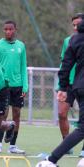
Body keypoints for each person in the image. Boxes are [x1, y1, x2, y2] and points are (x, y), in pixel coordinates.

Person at [46, 20, 84, 165]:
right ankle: (51, 160)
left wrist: (62, 87)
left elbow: (66, 65)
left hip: (79, 86)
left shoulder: (75, 39)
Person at [0, 20, 28, 154]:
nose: (8, 31)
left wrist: (25, 85)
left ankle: (13, 145)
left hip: (18, 86)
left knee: (17, 114)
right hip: (3, 86)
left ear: (15, 30)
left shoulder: (21, 46)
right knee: (3, 114)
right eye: (5, 29)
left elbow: (23, 66)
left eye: (10, 29)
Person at [57, 13, 84, 156]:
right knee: (61, 114)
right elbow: (65, 63)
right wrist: (61, 86)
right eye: (73, 25)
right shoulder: (69, 40)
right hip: (69, 84)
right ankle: (66, 144)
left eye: (78, 24)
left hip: (80, 83)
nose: (75, 27)